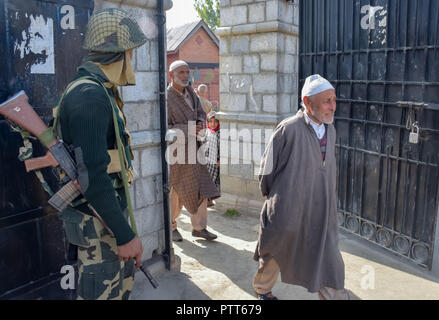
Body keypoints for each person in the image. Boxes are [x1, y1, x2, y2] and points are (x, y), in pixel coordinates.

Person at [55, 8, 147, 300]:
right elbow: (92, 175)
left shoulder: (100, 90)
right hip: (97, 222)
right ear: (119, 53)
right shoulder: (89, 95)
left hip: (105, 216)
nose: (131, 60)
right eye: (130, 53)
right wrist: (125, 234)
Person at [253, 74, 355, 300]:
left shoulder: (331, 130)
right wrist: (277, 199)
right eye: (327, 101)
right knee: (276, 249)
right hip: (289, 206)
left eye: (334, 100)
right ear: (308, 102)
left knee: (328, 256)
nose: (333, 107)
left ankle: (335, 296)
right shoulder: (288, 129)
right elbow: (266, 169)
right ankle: (262, 290)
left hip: (321, 208)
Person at [167, 60, 220, 242]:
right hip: (176, 152)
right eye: (181, 72)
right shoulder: (166, 97)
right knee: (176, 190)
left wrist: (199, 124)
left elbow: (200, 112)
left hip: (195, 148)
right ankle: (171, 226)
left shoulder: (191, 92)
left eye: (187, 72)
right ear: (171, 75)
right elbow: (165, 128)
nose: (185, 75)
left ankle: (199, 227)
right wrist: (187, 129)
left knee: (200, 186)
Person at [203, 111, 221, 207]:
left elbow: (222, 148)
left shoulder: (219, 134)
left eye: (215, 122)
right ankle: (208, 200)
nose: (213, 124)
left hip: (215, 162)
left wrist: (220, 160)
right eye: (210, 121)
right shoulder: (207, 132)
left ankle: (210, 199)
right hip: (207, 161)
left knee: (213, 181)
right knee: (207, 181)